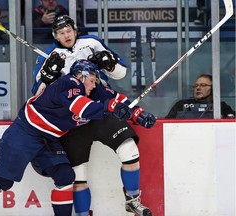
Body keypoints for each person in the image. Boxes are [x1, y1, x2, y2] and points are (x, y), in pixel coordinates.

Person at [0, 61, 132, 216]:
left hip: (48, 139)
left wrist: (135, 113)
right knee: (2, 182)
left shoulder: (84, 90)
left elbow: (112, 100)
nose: (93, 86)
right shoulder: (70, 82)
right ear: (81, 76)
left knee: (65, 176)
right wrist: (110, 108)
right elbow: (83, 108)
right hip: (25, 133)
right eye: (92, 81)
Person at [32, 15, 156, 216]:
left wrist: (109, 65)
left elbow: (120, 74)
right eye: (61, 33)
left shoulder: (91, 43)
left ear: (75, 30)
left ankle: (132, 199)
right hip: (70, 119)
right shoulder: (48, 56)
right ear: (55, 36)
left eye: (69, 31)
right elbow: (37, 95)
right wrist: (47, 77)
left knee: (129, 150)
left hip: (100, 108)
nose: (66, 35)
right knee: (77, 176)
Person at [165, 74, 235, 118]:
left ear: (213, 88)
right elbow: (166, 124)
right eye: (196, 86)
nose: (198, 88)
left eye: (203, 85)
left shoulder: (221, 107)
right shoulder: (181, 105)